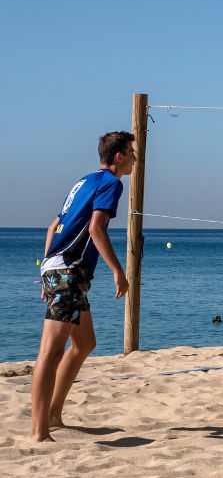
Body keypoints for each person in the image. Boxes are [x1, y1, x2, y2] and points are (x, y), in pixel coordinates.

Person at [31, 131, 135, 442]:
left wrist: (47, 268)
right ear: (118, 157)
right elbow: (95, 228)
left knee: (85, 343)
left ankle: (53, 414)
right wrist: (119, 271)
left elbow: (54, 226)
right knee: (50, 351)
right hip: (69, 271)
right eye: (131, 152)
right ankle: (38, 432)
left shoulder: (83, 181)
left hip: (62, 269)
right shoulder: (111, 184)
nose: (134, 158)